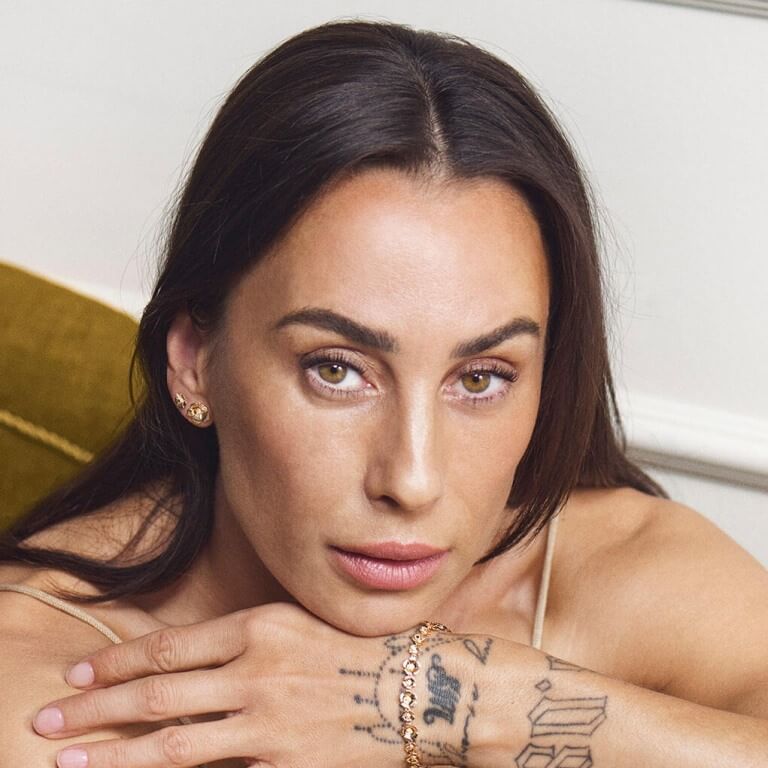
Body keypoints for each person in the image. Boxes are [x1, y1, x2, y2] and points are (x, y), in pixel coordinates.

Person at [1, 18, 766, 768]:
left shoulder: (601, 568)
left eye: (480, 378)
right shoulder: (55, 703)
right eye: (336, 370)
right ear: (195, 359)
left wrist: (446, 699)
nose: (412, 479)